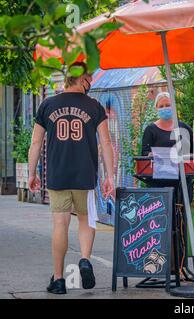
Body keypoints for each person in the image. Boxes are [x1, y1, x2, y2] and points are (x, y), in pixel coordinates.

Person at [28, 62, 115, 295]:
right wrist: (110, 176)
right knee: (86, 220)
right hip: (85, 175)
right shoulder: (94, 107)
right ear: (82, 79)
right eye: (90, 78)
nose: (91, 83)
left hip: (58, 174)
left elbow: (36, 142)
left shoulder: (47, 105)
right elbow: (106, 143)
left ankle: (58, 279)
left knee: (60, 224)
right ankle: (85, 259)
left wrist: (32, 173)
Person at [141, 92, 194, 197]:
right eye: (161, 106)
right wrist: (149, 155)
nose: (165, 108)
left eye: (168, 105)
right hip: (158, 182)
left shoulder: (185, 128)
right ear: (156, 108)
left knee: (181, 212)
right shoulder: (150, 130)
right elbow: (144, 152)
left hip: (182, 182)